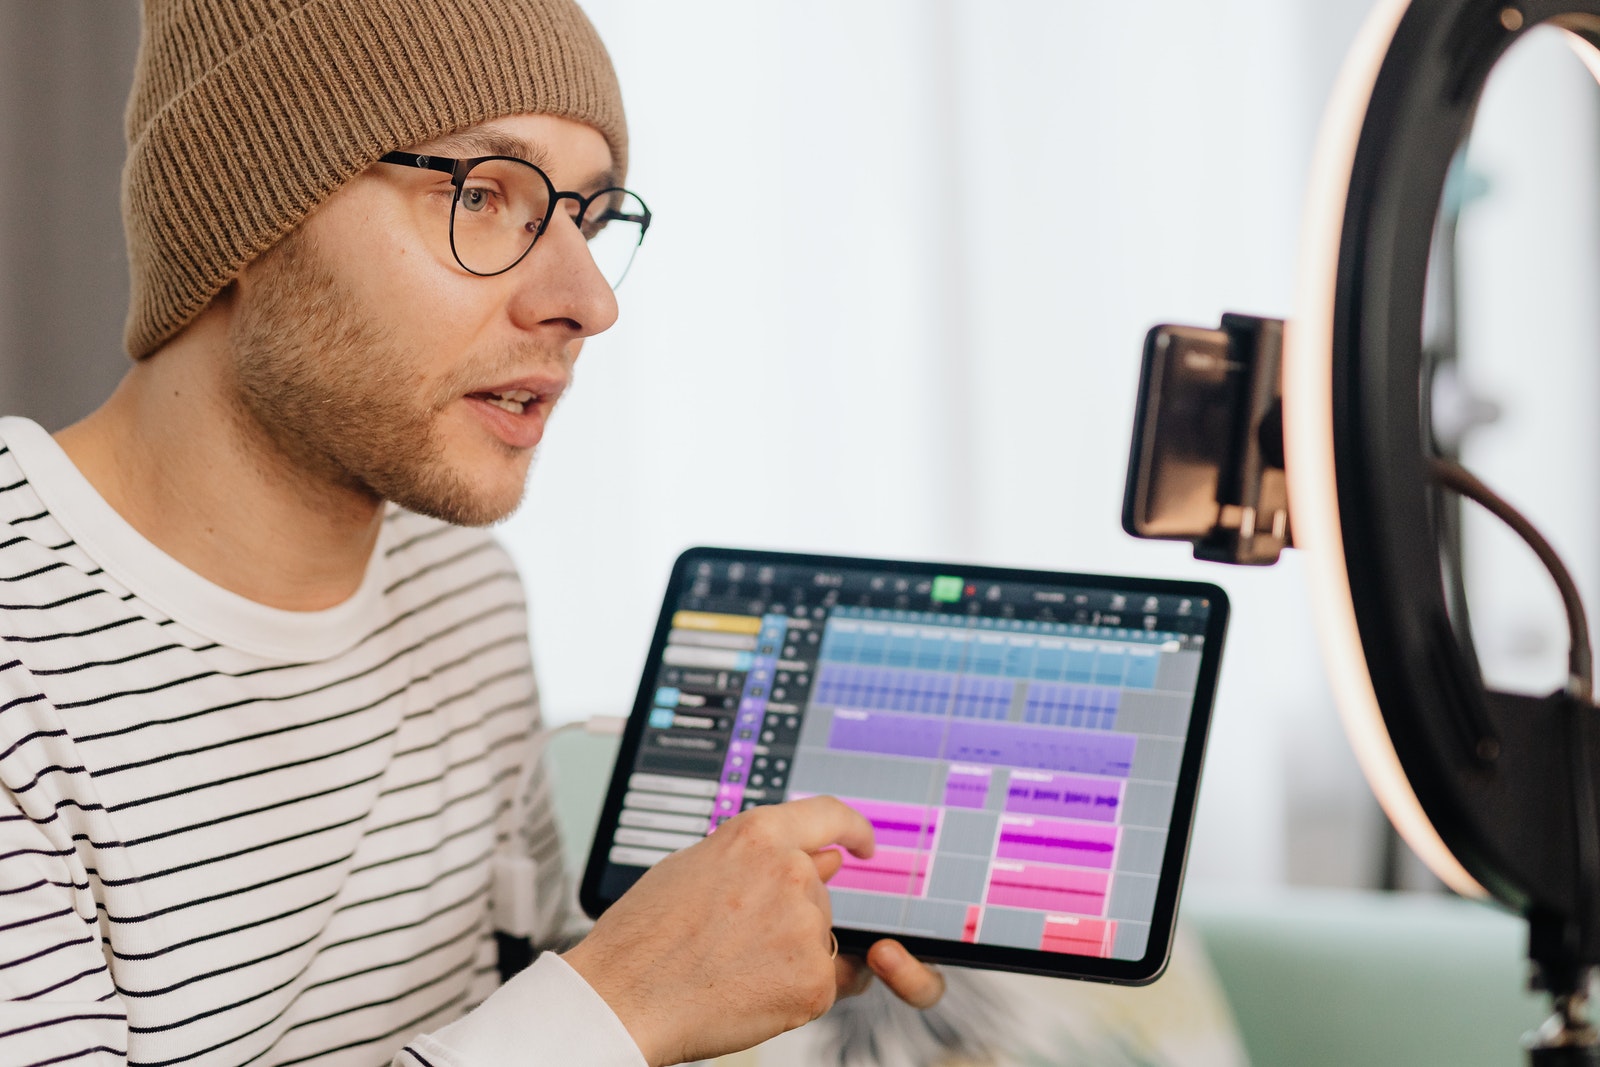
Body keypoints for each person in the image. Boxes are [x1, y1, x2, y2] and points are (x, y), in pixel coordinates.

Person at [0, 1, 945, 1064]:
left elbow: (510, 1008)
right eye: (486, 195)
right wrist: (616, 1005)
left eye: (588, 218)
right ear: (245, 221)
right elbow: (574, 1027)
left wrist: (709, 951)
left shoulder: (464, 592)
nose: (586, 298)